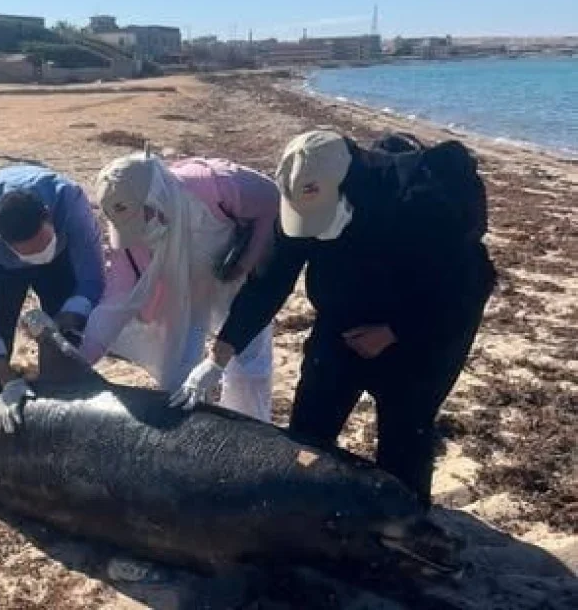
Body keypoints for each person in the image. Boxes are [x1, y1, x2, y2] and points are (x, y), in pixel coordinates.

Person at [195, 129, 496, 508]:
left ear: (348, 188)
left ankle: (404, 526)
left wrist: (394, 332)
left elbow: (468, 289)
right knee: (308, 435)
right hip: (341, 326)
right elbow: (268, 282)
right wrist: (218, 357)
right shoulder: (303, 196)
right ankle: (304, 511)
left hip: (422, 332)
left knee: (404, 444)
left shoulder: (426, 202)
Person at [79, 153, 280, 421]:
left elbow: (271, 200)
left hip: (233, 274)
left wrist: (247, 262)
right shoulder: (130, 238)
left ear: (155, 197)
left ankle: (250, 429)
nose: (138, 232)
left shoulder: (215, 185)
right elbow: (117, 299)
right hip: (182, 288)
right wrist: (82, 358)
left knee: (249, 363)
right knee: (178, 373)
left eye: (142, 220)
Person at [0, 165, 105, 432]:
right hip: (2, 270)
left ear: (48, 216)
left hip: (60, 260)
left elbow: (91, 278)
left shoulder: (69, 200)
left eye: (42, 243)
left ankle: (66, 410)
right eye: (29, 251)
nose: (38, 254)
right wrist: (7, 380)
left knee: (68, 339)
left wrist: (64, 320)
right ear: (1, 240)